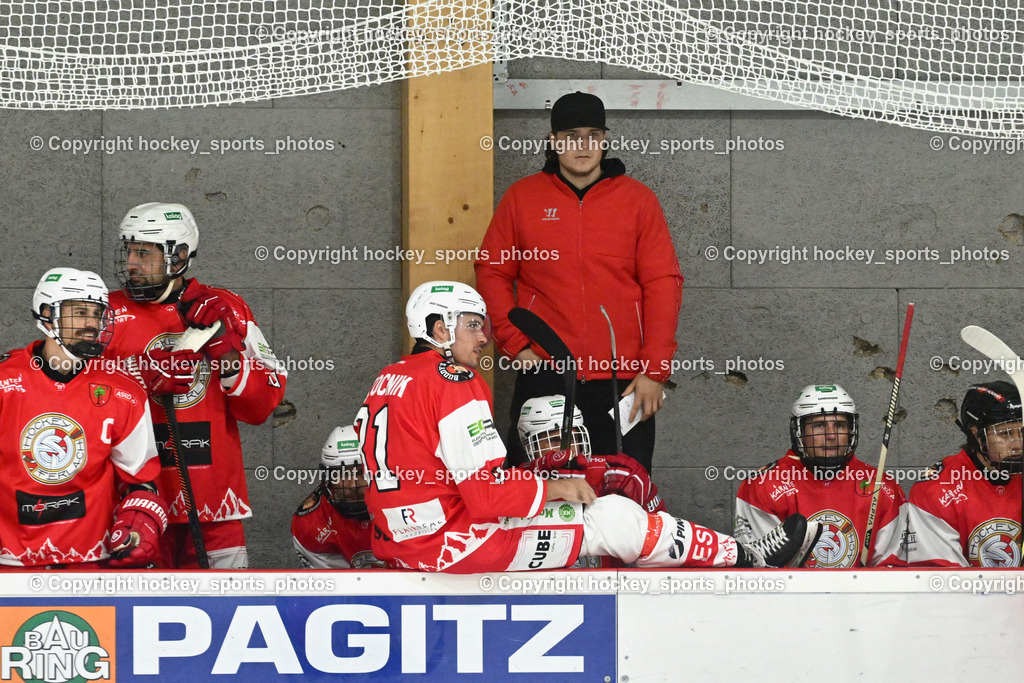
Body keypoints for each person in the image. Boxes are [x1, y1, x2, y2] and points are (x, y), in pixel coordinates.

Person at [356, 281, 820, 573]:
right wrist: (557, 488)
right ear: (438, 329)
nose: (485, 337)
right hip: (454, 547)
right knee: (612, 519)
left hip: (399, 544)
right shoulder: (454, 380)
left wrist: (541, 481)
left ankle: (736, 551)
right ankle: (750, 556)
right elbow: (485, 497)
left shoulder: (387, 379)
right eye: (473, 325)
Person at [475, 91, 683, 472]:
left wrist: (654, 371)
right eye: (571, 135)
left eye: (592, 134)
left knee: (624, 497)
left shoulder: (638, 201)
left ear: (604, 140)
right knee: (536, 497)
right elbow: (492, 271)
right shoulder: (522, 198)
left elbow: (663, 283)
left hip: (623, 384)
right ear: (554, 142)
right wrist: (516, 345)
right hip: (545, 375)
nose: (582, 145)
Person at [105, 202, 287, 568]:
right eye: (129, 252)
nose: (131, 265)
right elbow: (81, 404)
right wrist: (141, 377)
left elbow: (261, 407)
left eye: (144, 253)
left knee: (225, 617)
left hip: (215, 506)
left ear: (179, 255)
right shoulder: (105, 313)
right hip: (133, 509)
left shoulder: (229, 308)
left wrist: (228, 356)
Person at [0, 268, 166, 568]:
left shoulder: (124, 392)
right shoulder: (4, 383)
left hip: (91, 562)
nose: (92, 324)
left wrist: (139, 524)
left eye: (97, 313)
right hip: (10, 561)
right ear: (47, 315)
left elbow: (141, 482)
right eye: (79, 312)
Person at [734, 384, 907, 568]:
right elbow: (761, 569)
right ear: (799, 432)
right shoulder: (763, 485)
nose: (831, 435)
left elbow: (893, 573)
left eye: (839, 425)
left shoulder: (882, 486)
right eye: (819, 425)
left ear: (851, 430)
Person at [906, 381, 1022, 567]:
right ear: (975, 435)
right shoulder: (938, 489)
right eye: (1005, 434)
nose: (1018, 444)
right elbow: (941, 583)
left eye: (1023, 432)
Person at [516, 394, 665, 515]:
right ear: (530, 446)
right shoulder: (515, 483)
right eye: (554, 440)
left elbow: (662, 533)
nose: (565, 448)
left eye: (574, 438)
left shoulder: (621, 476)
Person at [291, 425, 385, 569]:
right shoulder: (313, 524)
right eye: (343, 473)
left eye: (361, 472)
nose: (353, 485)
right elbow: (335, 587)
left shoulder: (413, 504)